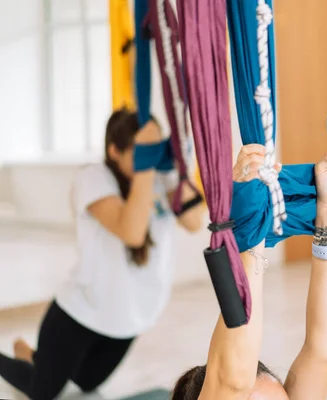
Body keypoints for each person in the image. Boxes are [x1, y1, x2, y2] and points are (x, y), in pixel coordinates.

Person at [0, 109, 205, 400]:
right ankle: (21, 355)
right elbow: (132, 232)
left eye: (155, 149)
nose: (152, 156)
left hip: (128, 319)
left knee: (86, 382)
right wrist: (148, 164)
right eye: (142, 149)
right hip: (80, 313)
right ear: (114, 151)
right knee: (41, 391)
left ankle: (33, 355)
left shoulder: (159, 177)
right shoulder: (93, 178)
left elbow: (194, 222)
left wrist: (175, 169)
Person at [173, 139, 327, 400]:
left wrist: (251, 227)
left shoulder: (231, 381)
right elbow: (325, 351)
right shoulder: (231, 382)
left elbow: (233, 380)